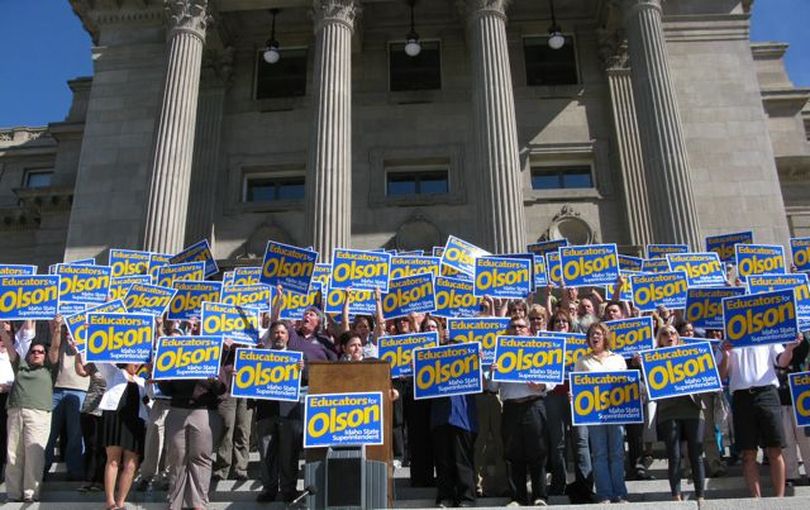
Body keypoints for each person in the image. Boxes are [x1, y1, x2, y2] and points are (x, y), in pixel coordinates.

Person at [718, 334, 802, 497]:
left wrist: (790, 348)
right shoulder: (725, 342)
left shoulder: (766, 335)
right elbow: (721, 375)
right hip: (741, 397)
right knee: (748, 453)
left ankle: (779, 499)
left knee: (775, 449)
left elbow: (782, 361)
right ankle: (756, 500)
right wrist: (726, 355)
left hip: (767, 393)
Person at [492, 317, 554, 506]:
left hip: (534, 404)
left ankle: (540, 496)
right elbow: (493, 388)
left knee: (538, 452)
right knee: (513, 454)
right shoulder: (500, 352)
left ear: (529, 330)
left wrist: (541, 385)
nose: (517, 329)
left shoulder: (539, 349)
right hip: (511, 407)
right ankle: (517, 497)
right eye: (514, 326)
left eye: (521, 326)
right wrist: (493, 371)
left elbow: (551, 379)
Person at [83, 353, 148, 510]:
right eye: (135, 360)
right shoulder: (115, 373)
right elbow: (99, 359)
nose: (137, 364)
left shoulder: (142, 381)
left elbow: (150, 398)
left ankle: (120, 502)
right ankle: (110, 501)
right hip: (115, 418)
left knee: (131, 464)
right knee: (113, 460)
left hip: (135, 421)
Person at [159, 364, 228, 510]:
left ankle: (199, 503)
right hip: (178, 409)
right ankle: (175, 502)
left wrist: (212, 381)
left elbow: (221, 389)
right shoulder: (174, 357)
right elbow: (166, 389)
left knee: (201, 457)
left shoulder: (213, 359)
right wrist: (162, 377)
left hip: (203, 411)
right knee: (177, 457)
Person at [575, 322, 629, 504]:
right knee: (599, 454)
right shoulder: (582, 361)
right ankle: (604, 493)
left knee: (617, 453)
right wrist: (573, 395)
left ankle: (619, 493)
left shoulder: (618, 359)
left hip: (616, 414)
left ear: (605, 336)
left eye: (598, 333)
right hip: (594, 416)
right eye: (591, 335)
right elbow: (577, 387)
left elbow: (626, 385)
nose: (595, 337)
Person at [1, 320, 54, 502]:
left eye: (40, 352)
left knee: (34, 455)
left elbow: (55, 347)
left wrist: (56, 327)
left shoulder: (49, 369)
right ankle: (14, 494)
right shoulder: (20, 366)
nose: (37, 354)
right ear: (29, 355)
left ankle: (31, 493)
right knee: (13, 454)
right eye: (33, 351)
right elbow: (8, 346)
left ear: (45, 355)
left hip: (38, 414)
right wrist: (2, 329)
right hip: (15, 411)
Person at [255, 320, 307, 503]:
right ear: (271, 336)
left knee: (289, 454)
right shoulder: (259, 358)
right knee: (267, 453)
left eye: (282, 333)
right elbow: (247, 382)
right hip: (266, 412)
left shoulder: (298, 358)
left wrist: (304, 370)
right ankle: (269, 489)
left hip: (289, 412)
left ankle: (288, 489)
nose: (279, 336)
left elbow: (308, 380)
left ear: (288, 336)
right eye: (276, 333)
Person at [654, 325, 706, 501]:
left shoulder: (691, 353)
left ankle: (700, 495)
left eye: (673, 333)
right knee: (674, 455)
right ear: (659, 339)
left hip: (692, 408)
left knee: (696, 453)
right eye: (665, 334)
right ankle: (676, 495)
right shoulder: (653, 358)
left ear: (678, 337)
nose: (669, 336)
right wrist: (642, 366)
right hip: (668, 411)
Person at [44, 318, 90, 481]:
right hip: (56, 388)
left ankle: (75, 470)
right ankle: (42, 467)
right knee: (48, 432)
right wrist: (58, 327)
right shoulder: (60, 338)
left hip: (80, 389)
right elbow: (54, 353)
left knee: (76, 433)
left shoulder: (90, 341)